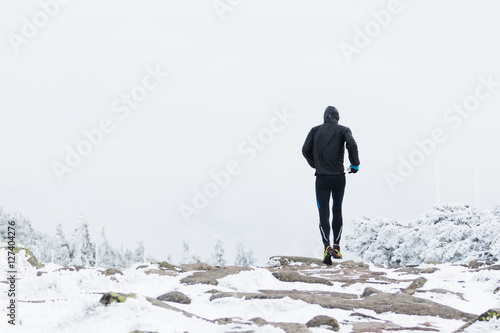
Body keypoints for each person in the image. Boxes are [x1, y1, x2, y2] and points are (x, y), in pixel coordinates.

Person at [302, 106, 360, 265]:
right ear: (337, 118)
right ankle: (337, 246)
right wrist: (355, 164)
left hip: (321, 178)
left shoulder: (315, 131)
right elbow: (352, 145)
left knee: (323, 212)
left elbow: (304, 150)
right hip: (338, 178)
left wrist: (315, 164)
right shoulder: (343, 130)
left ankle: (326, 246)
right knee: (337, 209)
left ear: (324, 117)